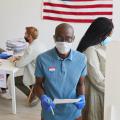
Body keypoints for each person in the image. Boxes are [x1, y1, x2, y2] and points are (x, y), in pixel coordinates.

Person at [34, 23, 87, 120]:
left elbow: (81, 84)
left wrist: (82, 96)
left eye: (68, 38)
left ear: (73, 39)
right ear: (54, 38)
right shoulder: (42, 59)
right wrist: (42, 97)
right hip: (50, 112)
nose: (64, 42)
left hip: (73, 113)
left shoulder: (81, 59)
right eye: (60, 38)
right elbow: (37, 85)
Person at [77, 17, 114, 120]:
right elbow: (97, 79)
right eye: (108, 34)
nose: (110, 37)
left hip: (103, 92)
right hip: (95, 94)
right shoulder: (90, 50)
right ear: (101, 33)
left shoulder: (100, 48)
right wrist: (114, 90)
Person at [10, 26, 41, 105]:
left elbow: (19, 65)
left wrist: (13, 61)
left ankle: (32, 95)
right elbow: (31, 57)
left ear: (30, 36)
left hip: (35, 74)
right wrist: (21, 58)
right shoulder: (39, 44)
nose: (24, 36)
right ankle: (35, 91)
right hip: (42, 74)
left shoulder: (31, 48)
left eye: (25, 34)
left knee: (14, 80)